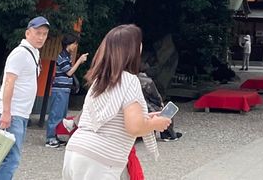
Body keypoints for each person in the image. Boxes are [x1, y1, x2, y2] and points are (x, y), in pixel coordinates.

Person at [63, 24, 170, 180]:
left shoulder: (100, 79)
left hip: (76, 150)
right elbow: (134, 127)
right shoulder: (129, 80)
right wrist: (156, 124)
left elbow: (113, 118)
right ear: (131, 49)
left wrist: (146, 118)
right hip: (101, 158)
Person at [0, 16, 49, 180]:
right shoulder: (20, 53)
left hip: (19, 113)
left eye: (44, 34)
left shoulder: (34, 53)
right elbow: (9, 81)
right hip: (12, 113)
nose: (41, 37)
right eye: (38, 33)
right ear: (28, 33)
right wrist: (6, 112)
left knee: (5, 158)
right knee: (11, 159)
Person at [45, 32, 88, 148]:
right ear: (68, 44)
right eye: (74, 44)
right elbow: (69, 72)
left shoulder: (66, 56)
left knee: (61, 114)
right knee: (56, 114)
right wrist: (79, 61)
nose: (75, 46)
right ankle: (50, 138)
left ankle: (55, 136)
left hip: (64, 89)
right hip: (59, 90)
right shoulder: (62, 56)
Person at [137, 70, 183, 142]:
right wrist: (160, 106)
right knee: (163, 112)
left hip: (137, 106)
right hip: (144, 106)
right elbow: (156, 98)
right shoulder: (146, 81)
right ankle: (168, 134)